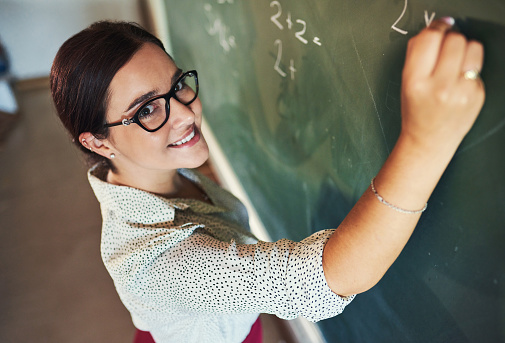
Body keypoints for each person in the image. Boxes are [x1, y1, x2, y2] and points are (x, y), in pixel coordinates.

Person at [50, 17, 484, 343]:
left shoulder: (146, 168)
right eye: (147, 109)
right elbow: (326, 278)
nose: (185, 113)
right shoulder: (160, 266)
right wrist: (424, 142)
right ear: (98, 142)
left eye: (178, 84)